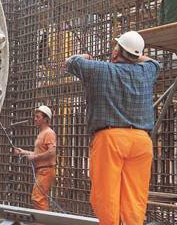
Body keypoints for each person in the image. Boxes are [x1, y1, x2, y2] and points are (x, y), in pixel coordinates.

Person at [65, 31, 161, 225]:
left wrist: (85, 57)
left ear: (117, 52)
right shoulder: (146, 71)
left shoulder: (98, 70)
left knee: (106, 195)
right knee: (136, 197)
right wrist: (133, 54)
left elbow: (70, 62)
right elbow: (154, 62)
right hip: (142, 141)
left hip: (110, 139)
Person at [13, 105, 56, 211]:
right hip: (42, 170)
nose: (35, 119)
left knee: (38, 198)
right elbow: (39, 153)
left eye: (38, 117)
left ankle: (43, 222)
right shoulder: (42, 133)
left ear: (46, 119)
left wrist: (35, 157)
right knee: (39, 198)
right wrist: (24, 152)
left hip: (46, 170)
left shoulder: (48, 133)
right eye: (35, 116)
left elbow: (52, 151)